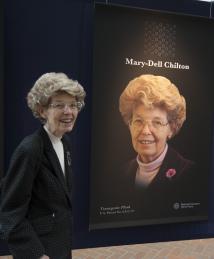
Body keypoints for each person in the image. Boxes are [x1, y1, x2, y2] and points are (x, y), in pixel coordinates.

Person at [0, 72, 86, 259]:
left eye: (73, 105)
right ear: (41, 110)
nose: (69, 112)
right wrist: (36, 254)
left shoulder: (65, 143)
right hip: (41, 251)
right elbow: (9, 213)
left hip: (60, 245)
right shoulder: (30, 149)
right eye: (59, 105)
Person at [118, 74, 205, 222]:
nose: (145, 130)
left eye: (157, 122)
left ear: (171, 129)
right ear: (129, 125)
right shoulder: (122, 172)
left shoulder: (189, 173)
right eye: (138, 121)